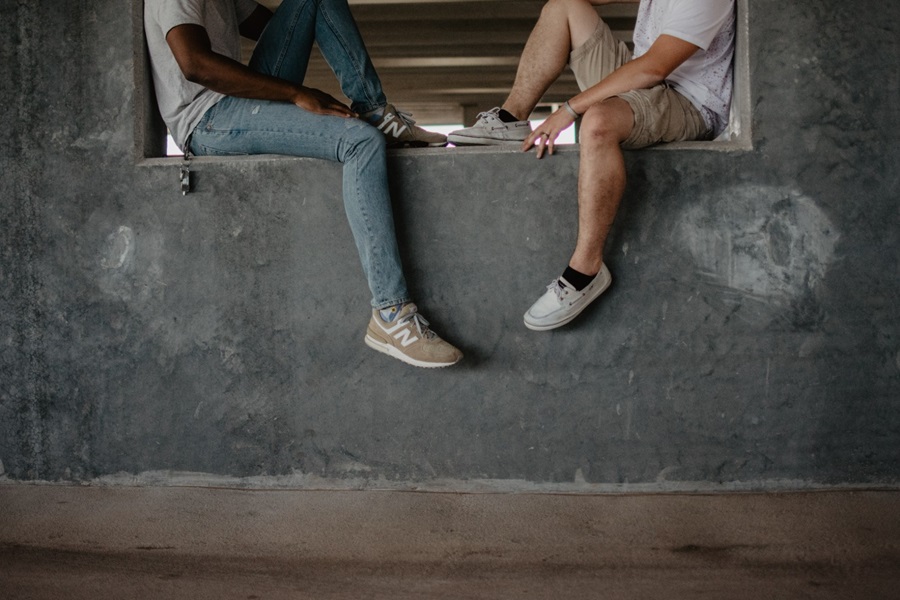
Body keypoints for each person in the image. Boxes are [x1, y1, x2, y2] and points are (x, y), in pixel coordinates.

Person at [144, 0, 462, 367]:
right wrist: (297, 94)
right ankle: (391, 315)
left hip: (231, 101)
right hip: (207, 120)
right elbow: (195, 65)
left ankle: (375, 108)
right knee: (359, 141)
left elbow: (281, 25)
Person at [449, 0, 735, 331]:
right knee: (564, 6)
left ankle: (585, 271)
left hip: (691, 102)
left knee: (597, 123)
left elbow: (654, 67)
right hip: (648, 82)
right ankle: (510, 118)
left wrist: (569, 110)